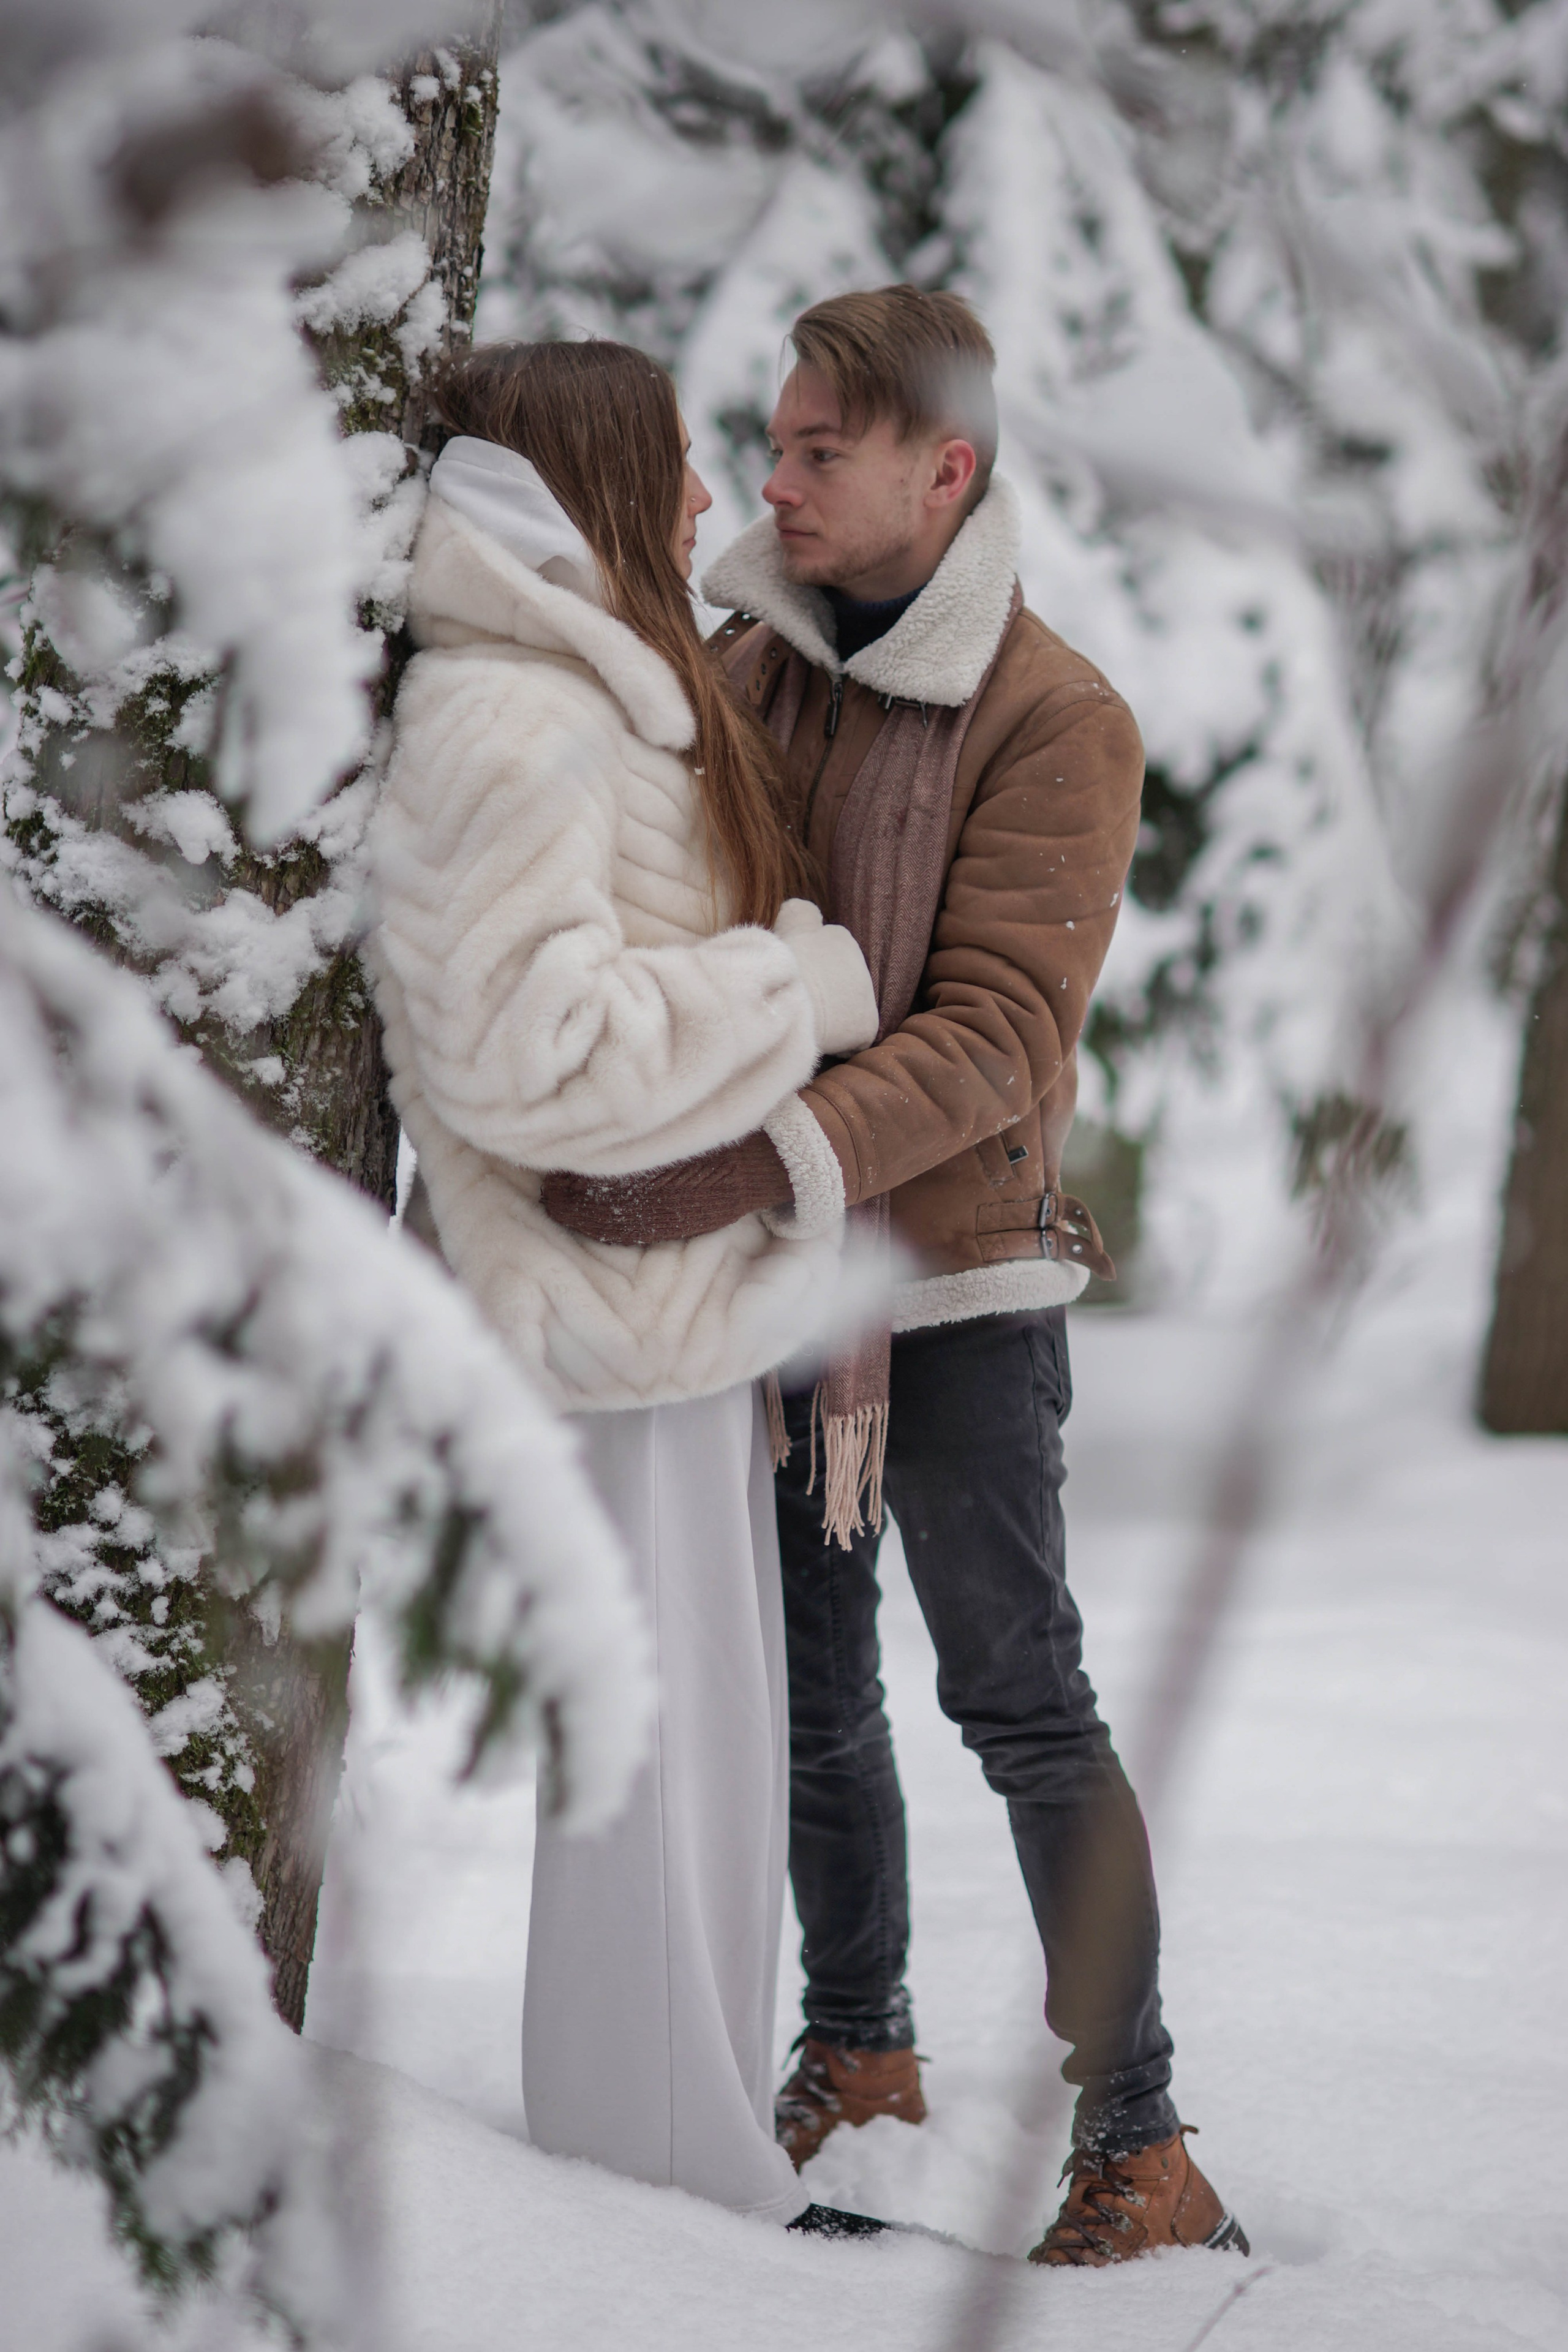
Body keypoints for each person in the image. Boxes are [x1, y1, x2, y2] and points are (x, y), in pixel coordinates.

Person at [543, 288, 1246, 2267]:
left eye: (818, 452)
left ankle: (1147, 2131)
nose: (776, 481)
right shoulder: (750, 669)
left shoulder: (1054, 717)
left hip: (953, 1293)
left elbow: (1009, 1027)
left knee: (1018, 1698)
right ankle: (858, 2052)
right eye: (769, 445)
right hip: (770, 1288)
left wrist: (762, 1159)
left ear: (947, 468)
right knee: (815, 1695)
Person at [367, 336, 889, 2236]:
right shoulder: (515, 716)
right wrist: (798, 997)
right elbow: (530, 1049)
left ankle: (687, 2161)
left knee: (705, 1770)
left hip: (654, 1316)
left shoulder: (589, 689)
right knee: (654, 1792)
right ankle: (655, 2188)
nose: (701, 501)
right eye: (672, 463)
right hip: (593, 1318)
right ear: (584, 483)